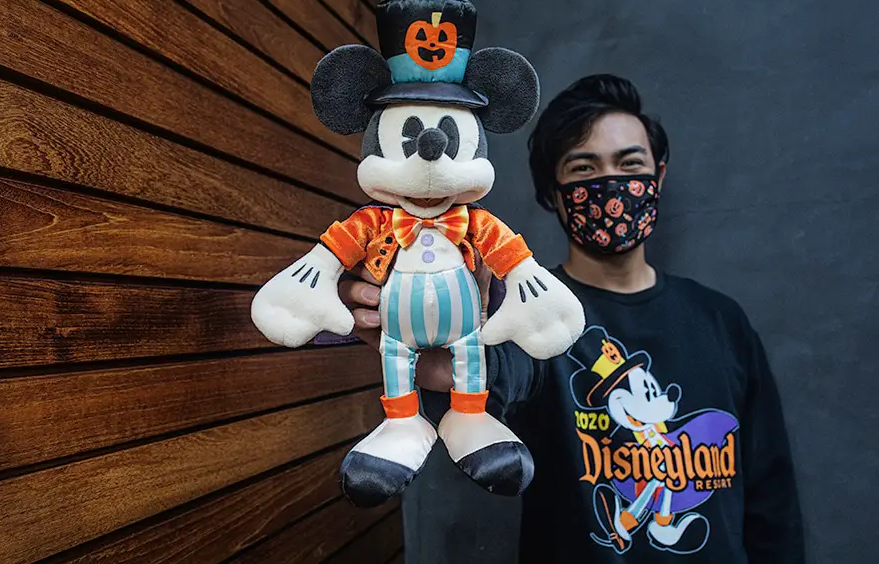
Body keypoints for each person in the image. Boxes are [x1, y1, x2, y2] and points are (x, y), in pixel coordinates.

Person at [339, 74, 804, 562]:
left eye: (630, 164)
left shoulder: (722, 321)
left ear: (659, 177)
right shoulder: (531, 317)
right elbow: (501, 374)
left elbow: (772, 498)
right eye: (584, 168)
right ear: (553, 193)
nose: (612, 183)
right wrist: (441, 353)